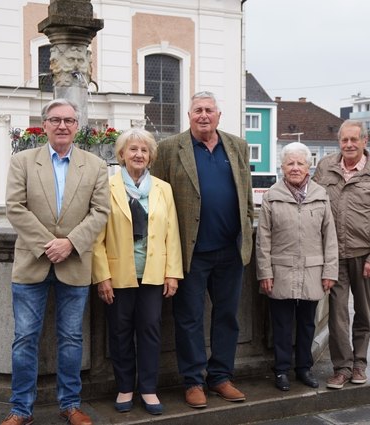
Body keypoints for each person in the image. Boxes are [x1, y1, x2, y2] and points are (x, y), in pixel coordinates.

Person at [3, 99, 110, 425]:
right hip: (31, 264)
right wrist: (49, 245)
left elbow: (100, 212)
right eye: (55, 120)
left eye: (68, 120)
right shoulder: (22, 161)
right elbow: (14, 207)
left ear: (77, 126)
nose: (62, 125)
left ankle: (70, 404)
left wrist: (71, 243)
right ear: (45, 124)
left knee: (71, 339)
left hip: (74, 263)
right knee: (24, 340)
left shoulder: (95, 165)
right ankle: (21, 409)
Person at [151, 91, 254, 409]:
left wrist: (248, 226)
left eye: (209, 110)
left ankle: (221, 377)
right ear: (189, 115)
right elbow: (157, 201)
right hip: (190, 252)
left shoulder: (236, 145)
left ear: (218, 115)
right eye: (198, 110)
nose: (204, 115)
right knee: (189, 319)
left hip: (229, 249)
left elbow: (246, 194)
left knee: (227, 317)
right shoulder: (169, 148)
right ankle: (193, 381)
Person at [92, 128, 183, 415]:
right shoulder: (107, 188)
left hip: (153, 274)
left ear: (151, 156)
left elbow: (172, 234)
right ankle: (124, 388)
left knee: (150, 331)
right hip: (119, 275)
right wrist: (102, 276)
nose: (138, 155)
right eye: (133, 149)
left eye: (144, 150)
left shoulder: (162, 189)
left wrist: (172, 273)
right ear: (121, 155)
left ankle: (148, 388)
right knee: (119, 332)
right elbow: (97, 238)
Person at [312, 119, 370, 390]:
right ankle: (341, 367)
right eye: (344, 140)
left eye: (354, 140)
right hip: (334, 256)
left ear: (364, 140)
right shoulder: (325, 167)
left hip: (364, 257)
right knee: (337, 314)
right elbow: (312, 203)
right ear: (339, 142)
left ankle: (360, 363)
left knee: (363, 312)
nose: (348, 145)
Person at [256, 142, 338, 392]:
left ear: (308, 166)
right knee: (281, 324)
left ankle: (304, 368)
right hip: (281, 270)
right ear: (282, 167)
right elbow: (263, 239)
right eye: (289, 163)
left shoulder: (320, 196)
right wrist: (265, 272)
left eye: (299, 163)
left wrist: (329, 272)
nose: (295, 168)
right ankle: (281, 370)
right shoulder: (271, 197)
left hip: (313, 270)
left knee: (306, 324)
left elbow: (330, 237)